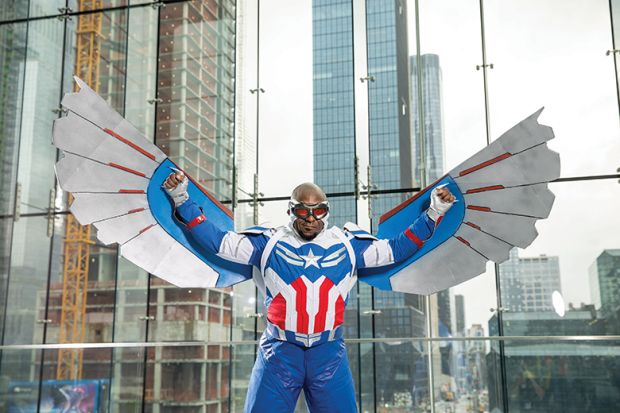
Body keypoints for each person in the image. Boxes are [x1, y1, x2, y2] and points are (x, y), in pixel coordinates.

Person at [163, 172, 455, 413]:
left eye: (318, 211)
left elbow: (397, 248)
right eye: (303, 211)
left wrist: (433, 213)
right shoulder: (268, 243)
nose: (311, 218)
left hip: (328, 353)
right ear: (291, 210)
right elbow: (217, 241)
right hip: (279, 352)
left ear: (327, 212)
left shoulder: (348, 244)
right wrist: (182, 200)